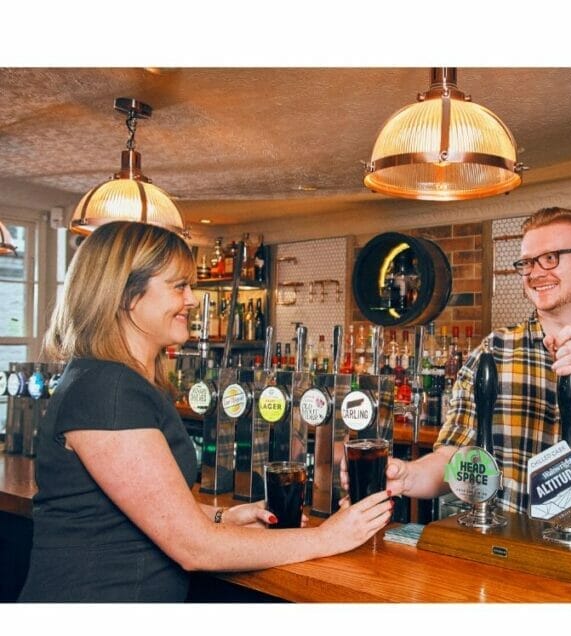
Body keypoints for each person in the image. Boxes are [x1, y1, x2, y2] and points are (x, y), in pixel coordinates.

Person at [19, 221, 392, 602]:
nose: (193, 300)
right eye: (179, 286)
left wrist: (222, 517)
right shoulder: (108, 390)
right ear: (127, 295)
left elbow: (131, 505)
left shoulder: (112, 381)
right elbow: (195, 548)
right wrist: (328, 536)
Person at [365, 207, 571, 537]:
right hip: (507, 553)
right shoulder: (493, 350)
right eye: (527, 262)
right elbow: (457, 455)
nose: (536, 272)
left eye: (551, 257)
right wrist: (406, 476)